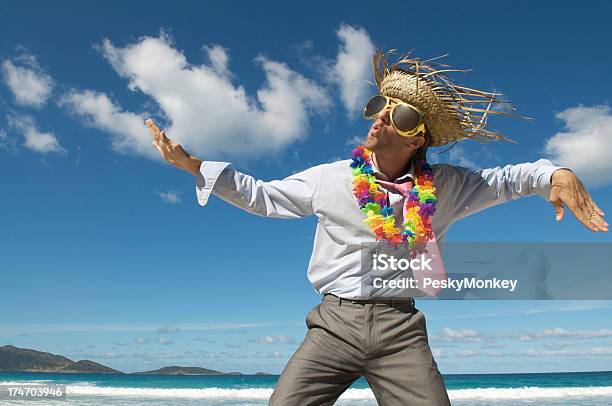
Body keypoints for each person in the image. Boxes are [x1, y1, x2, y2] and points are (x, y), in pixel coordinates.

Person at [145, 49, 608, 405]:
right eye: (379, 105)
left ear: (418, 136)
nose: (383, 116)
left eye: (400, 114)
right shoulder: (331, 178)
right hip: (333, 324)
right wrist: (193, 165)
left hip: (399, 327)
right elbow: (263, 196)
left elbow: (506, 180)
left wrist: (556, 174)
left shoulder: (445, 187)